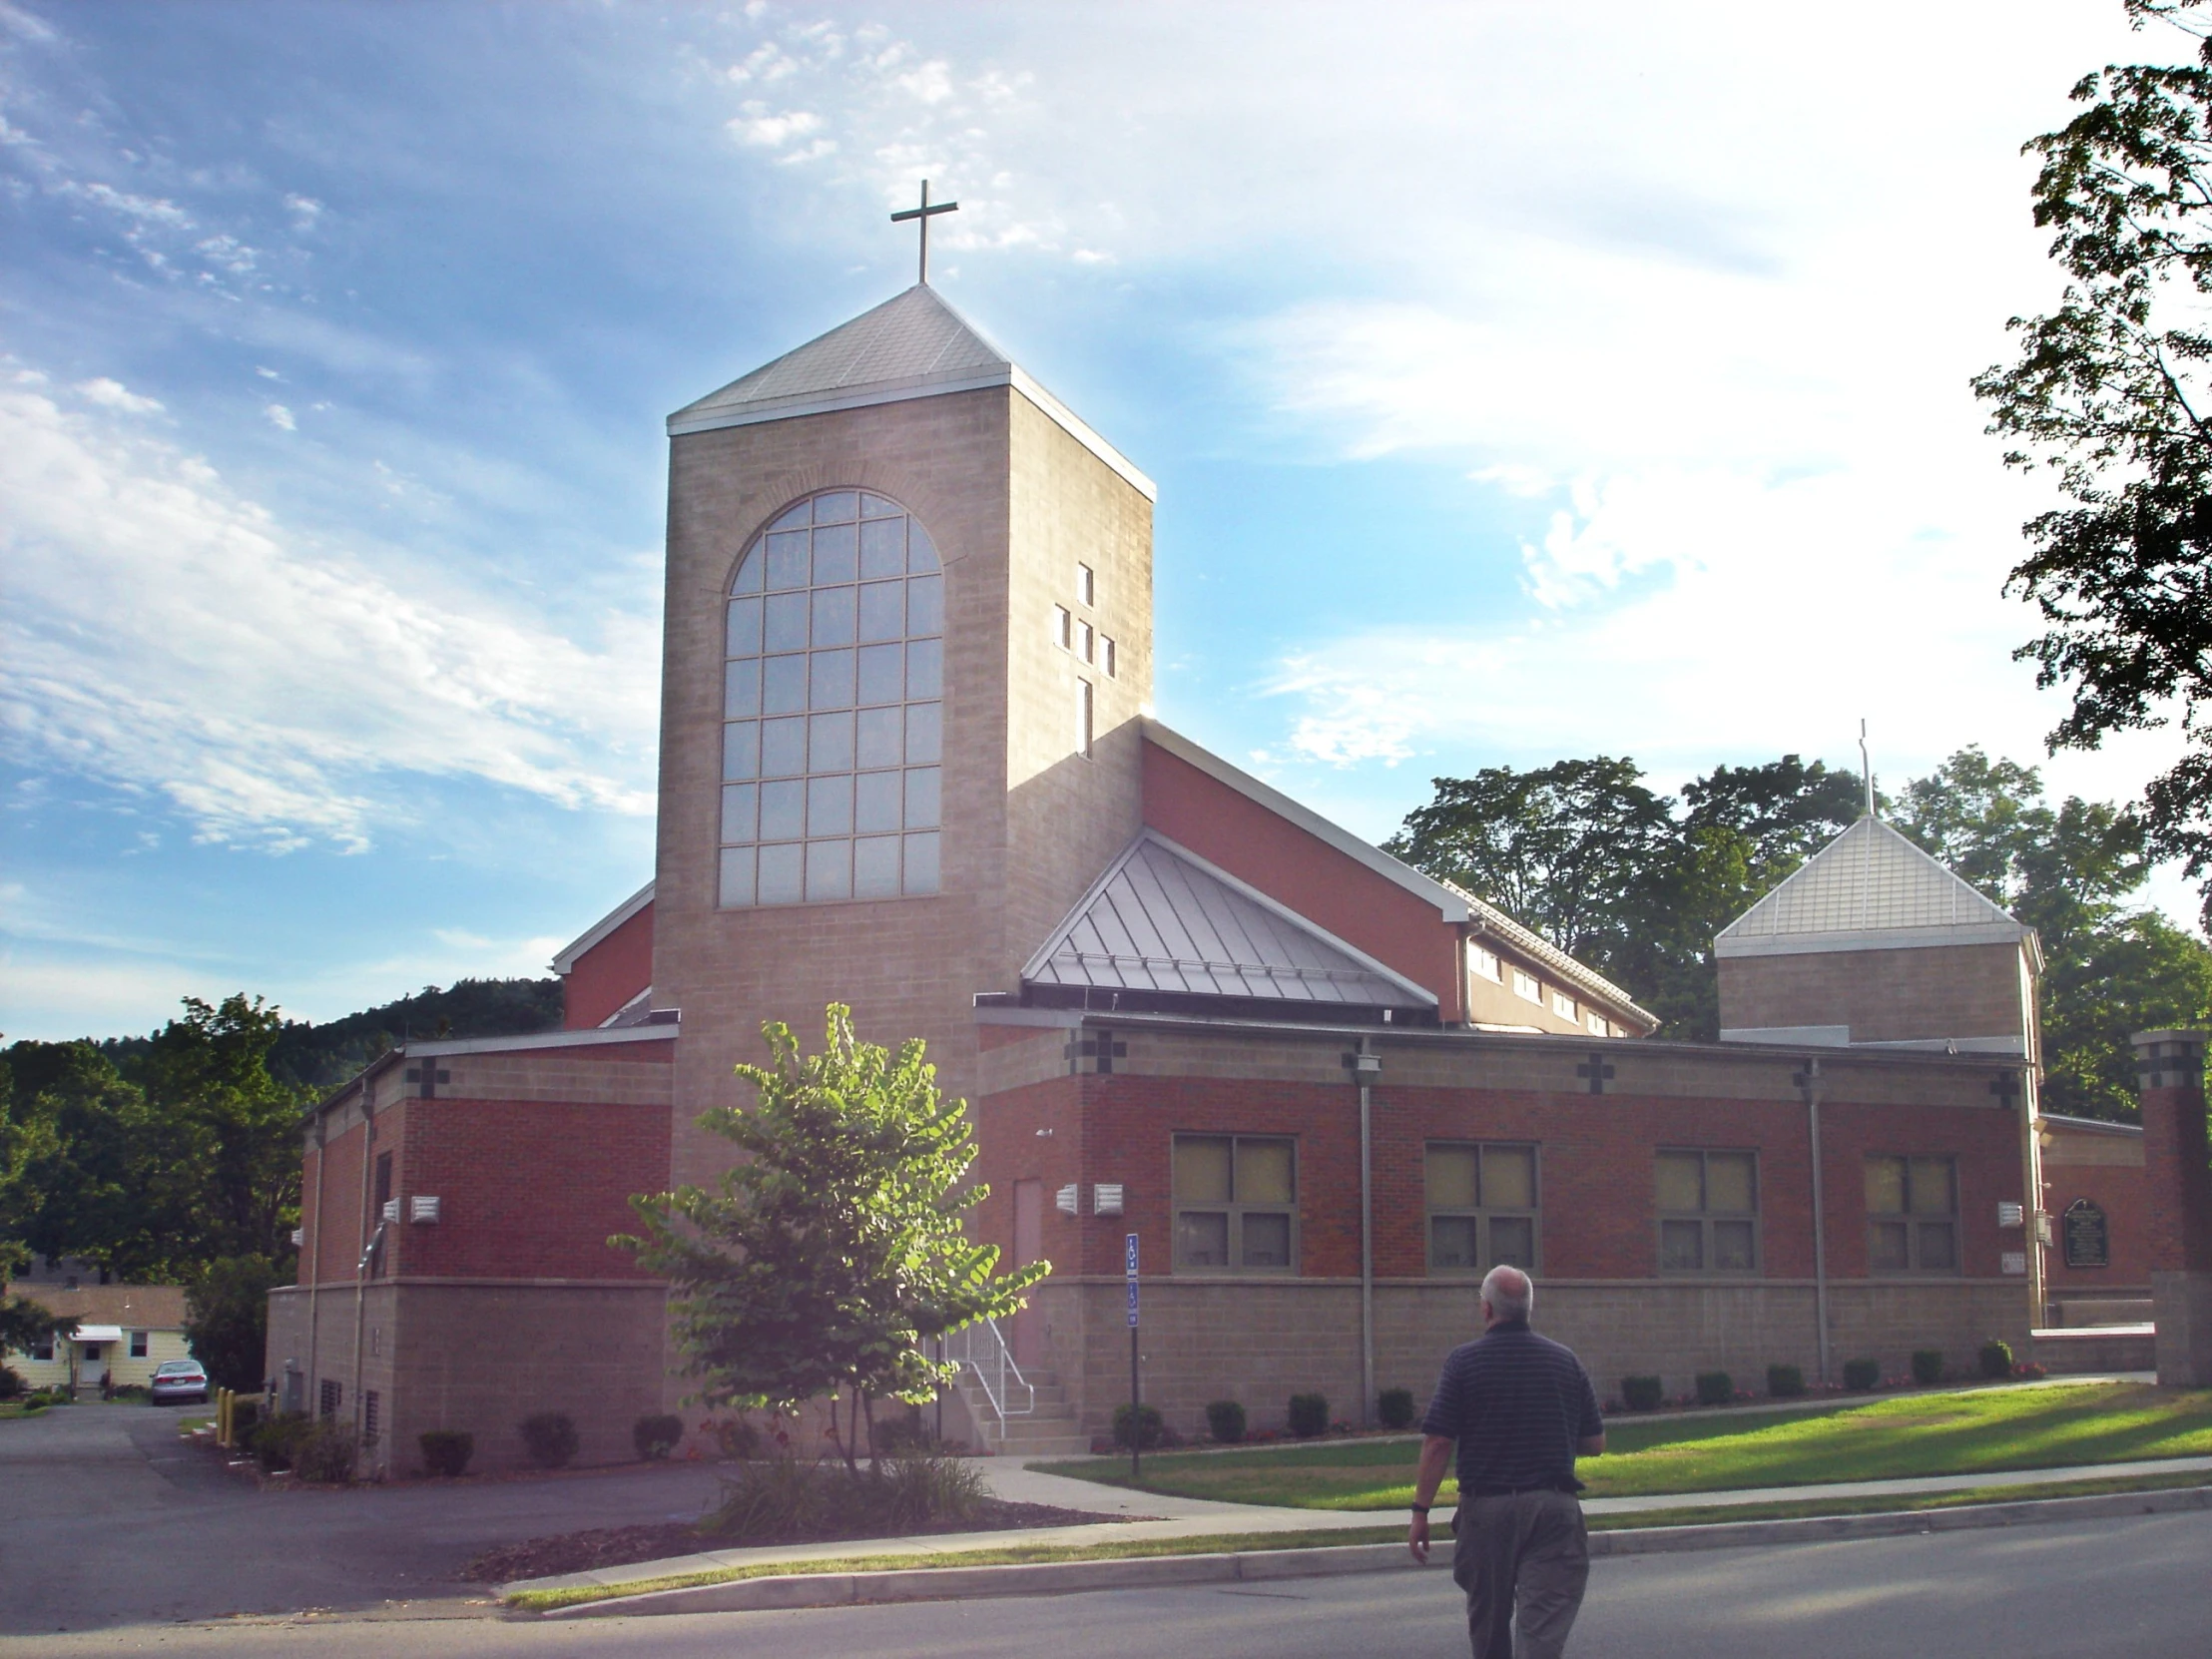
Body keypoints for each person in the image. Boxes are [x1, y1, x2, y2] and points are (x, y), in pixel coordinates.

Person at [1407, 1265, 1605, 1659]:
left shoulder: (1464, 1362)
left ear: (1486, 1309)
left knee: (1489, 1626)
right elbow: (1594, 1443)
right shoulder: (1565, 1361)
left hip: (1488, 1512)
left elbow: (1438, 1441)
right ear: (1529, 1309)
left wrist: (1420, 1511)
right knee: (1543, 1633)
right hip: (1555, 1510)